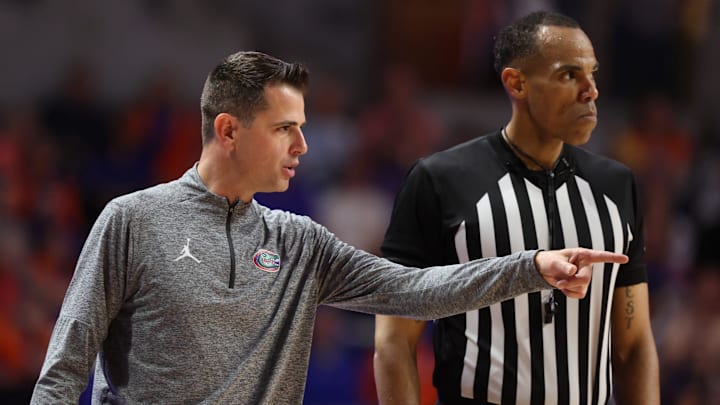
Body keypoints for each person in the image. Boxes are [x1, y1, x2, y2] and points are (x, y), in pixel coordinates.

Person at [30, 50, 628, 405]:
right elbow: (65, 365)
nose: (303, 145)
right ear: (229, 130)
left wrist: (530, 267)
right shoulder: (132, 220)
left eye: (303, 126)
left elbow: (414, 290)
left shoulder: (300, 242)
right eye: (284, 128)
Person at [374, 11, 659, 405]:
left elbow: (634, 344)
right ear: (517, 82)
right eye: (568, 74)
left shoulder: (617, 185)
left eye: (592, 73)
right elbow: (394, 343)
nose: (590, 90)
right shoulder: (440, 180)